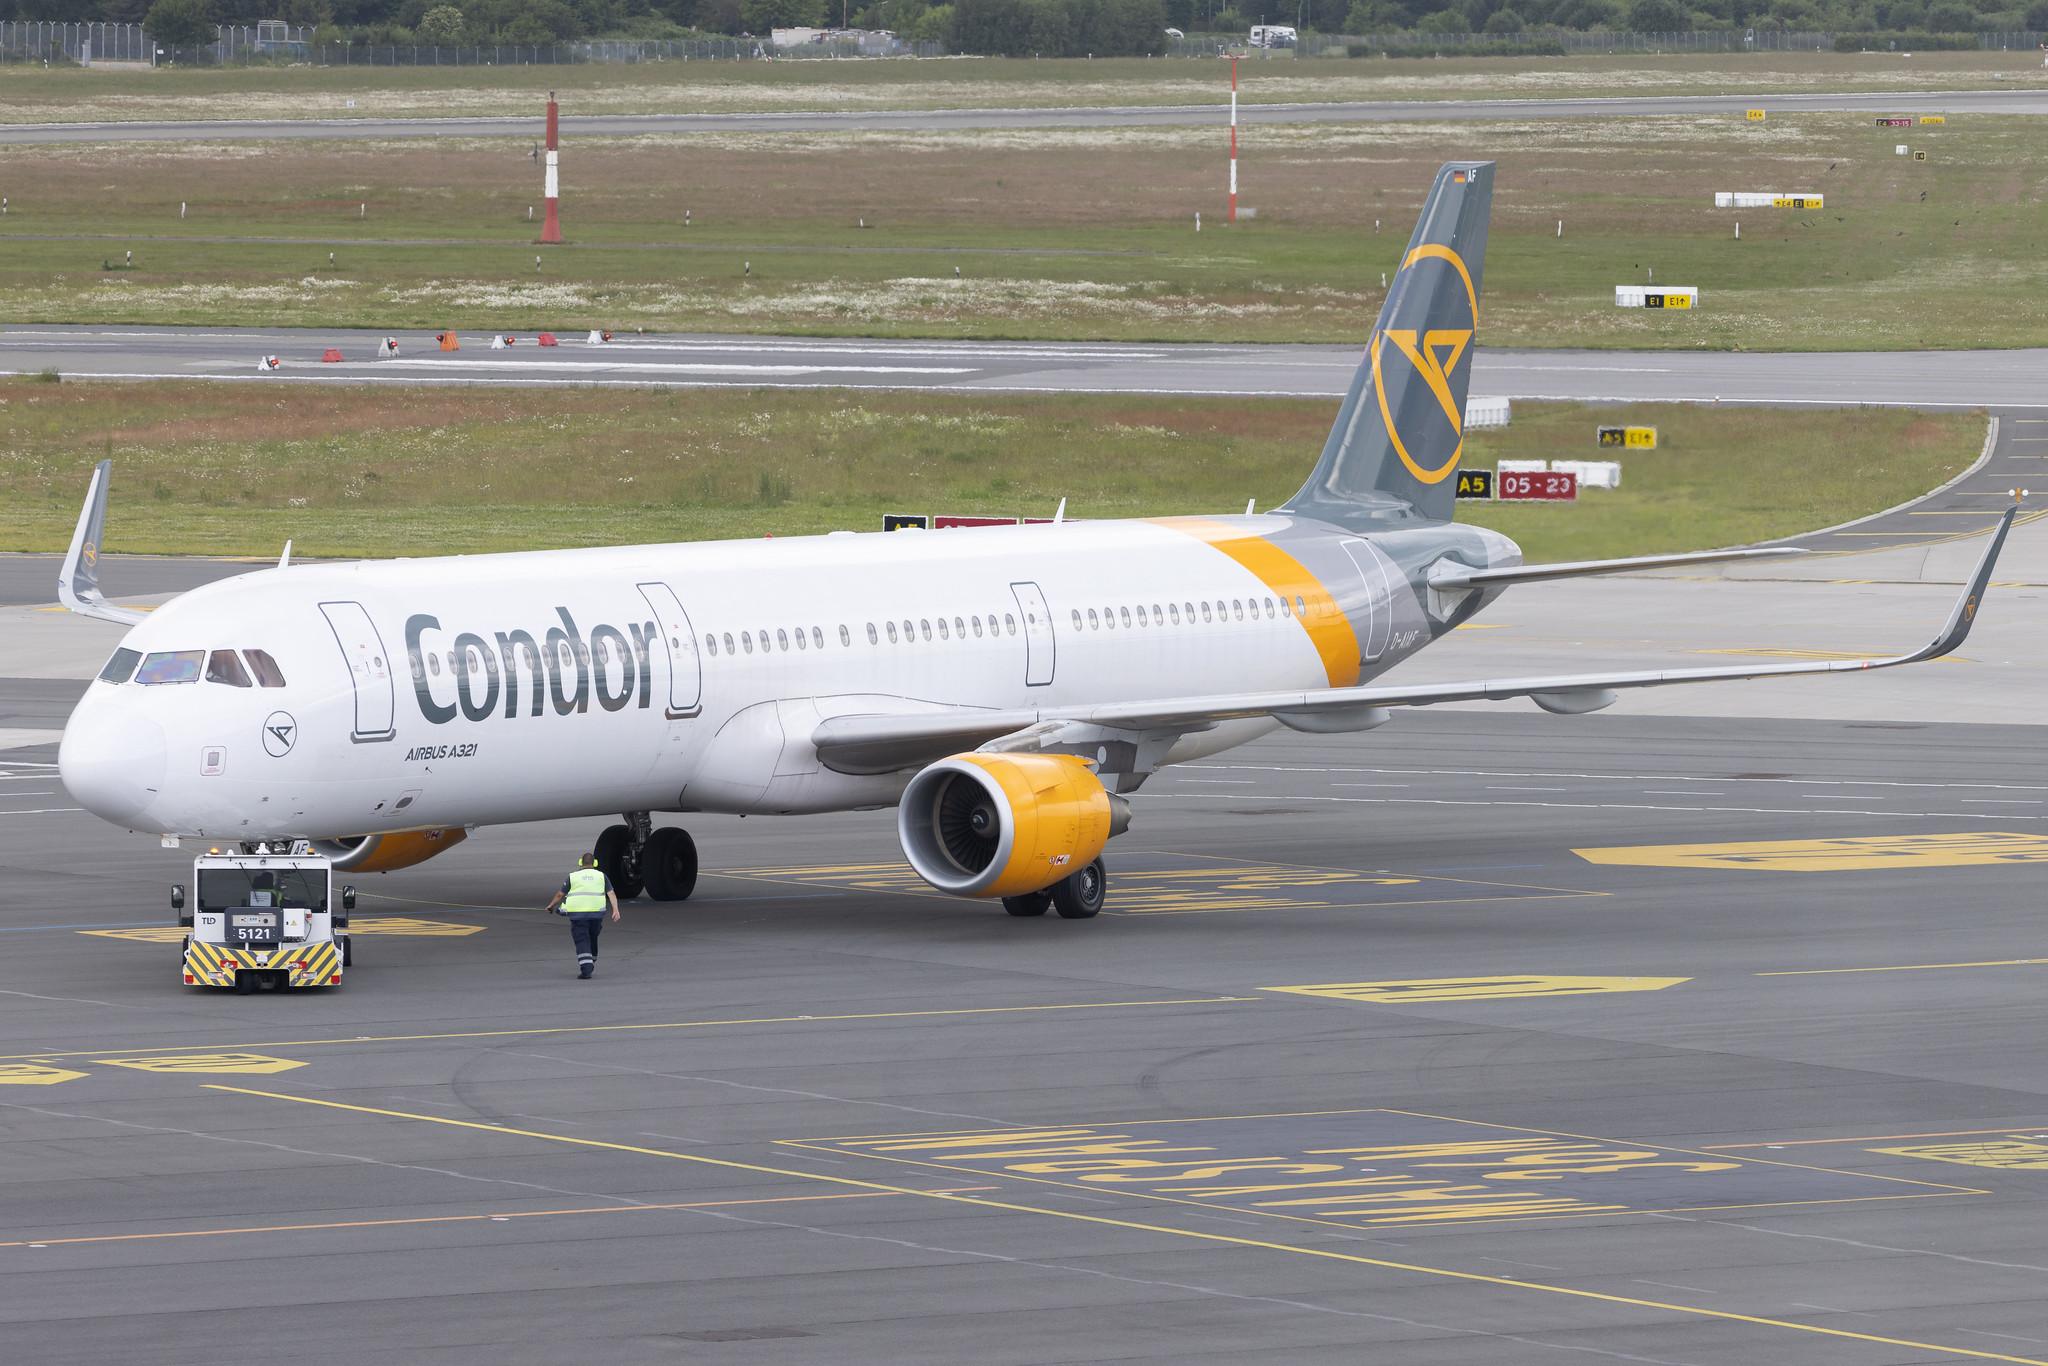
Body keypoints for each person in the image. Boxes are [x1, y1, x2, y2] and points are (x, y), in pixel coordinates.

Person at [544, 853, 620, 979]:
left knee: (582, 939)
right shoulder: (601, 876)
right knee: (593, 936)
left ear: (580, 863)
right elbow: (611, 893)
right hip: (596, 915)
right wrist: (615, 910)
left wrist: (551, 906)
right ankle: (592, 958)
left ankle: (586, 968)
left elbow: (560, 894)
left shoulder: (573, 877)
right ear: (595, 863)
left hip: (578, 916)